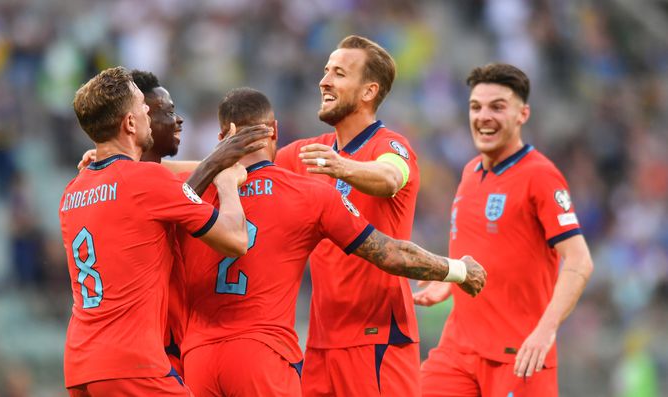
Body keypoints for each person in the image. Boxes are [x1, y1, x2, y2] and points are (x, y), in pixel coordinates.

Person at [178, 87, 487, 397]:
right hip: (262, 354)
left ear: (220, 138)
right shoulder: (309, 193)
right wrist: (458, 270)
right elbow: (390, 254)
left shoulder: (189, 194)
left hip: (197, 359)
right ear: (274, 131)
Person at [60, 66, 251, 396]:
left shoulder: (72, 191)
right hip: (133, 364)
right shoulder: (147, 182)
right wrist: (228, 182)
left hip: (81, 366)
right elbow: (235, 240)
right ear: (130, 123)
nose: (149, 114)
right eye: (144, 108)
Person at [415, 63, 594, 397]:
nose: (484, 116)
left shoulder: (540, 176)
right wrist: (453, 281)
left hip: (520, 356)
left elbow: (580, 261)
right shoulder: (469, 172)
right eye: (476, 107)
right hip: (458, 350)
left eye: (497, 107)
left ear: (522, 114)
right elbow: (491, 249)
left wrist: (546, 330)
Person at [275, 35, 422, 396]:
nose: (324, 81)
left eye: (339, 73)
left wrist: (341, 166)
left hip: (378, 338)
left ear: (368, 91)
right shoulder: (309, 153)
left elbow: (390, 177)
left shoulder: (390, 145)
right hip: (322, 342)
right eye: (326, 71)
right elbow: (245, 173)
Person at [129, 69, 273, 377]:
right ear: (135, 121)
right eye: (167, 112)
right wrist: (220, 170)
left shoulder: (135, 177)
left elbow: (172, 175)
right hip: (152, 352)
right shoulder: (141, 188)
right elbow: (235, 240)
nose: (178, 119)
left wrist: (226, 161)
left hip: (162, 346)